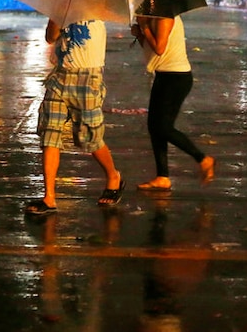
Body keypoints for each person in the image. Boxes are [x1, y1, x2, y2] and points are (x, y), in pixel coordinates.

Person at [25, 19, 125, 215]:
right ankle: (49, 197)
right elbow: (49, 37)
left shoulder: (97, 12)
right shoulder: (63, 8)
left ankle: (114, 176)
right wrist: (58, 19)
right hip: (59, 77)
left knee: (90, 137)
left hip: (88, 78)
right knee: (49, 133)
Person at [131, 15, 214, 191]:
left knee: (163, 127)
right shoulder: (154, 17)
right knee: (155, 127)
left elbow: (159, 48)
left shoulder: (165, 17)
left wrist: (144, 27)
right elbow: (153, 51)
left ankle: (203, 159)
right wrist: (140, 35)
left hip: (176, 78)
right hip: (164, 75)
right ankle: (162, 176)